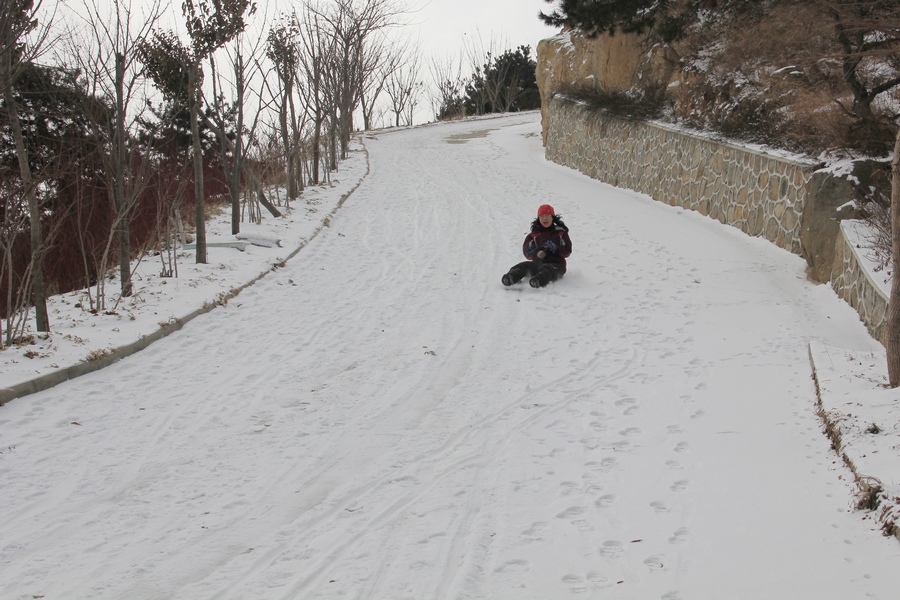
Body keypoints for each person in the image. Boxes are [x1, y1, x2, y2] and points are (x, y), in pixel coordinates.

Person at [501, 204, 572, 288]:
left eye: (547, 216)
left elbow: (567, 251)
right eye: (542, 216)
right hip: (538, 264)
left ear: (552, 217)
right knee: (524, 266)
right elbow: (527, 252)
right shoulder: (534, 235)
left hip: (556, 265)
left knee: (547, 269)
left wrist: (556, 248)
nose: (544, 218)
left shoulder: (561, 233)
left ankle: (538, 281)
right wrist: (537, 252)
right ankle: (510, 277)